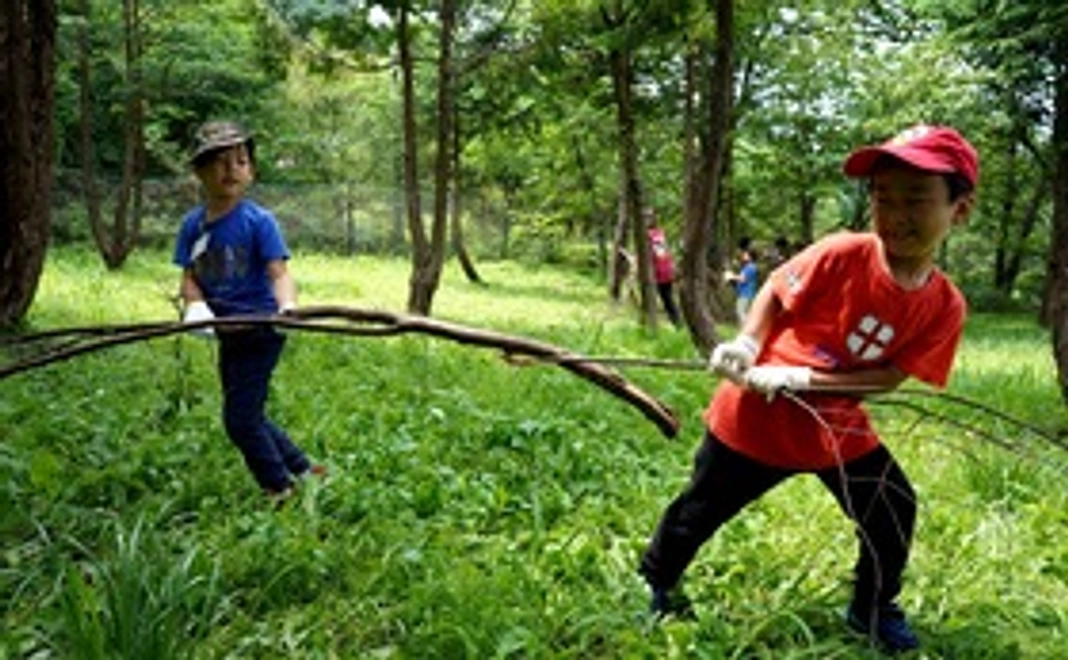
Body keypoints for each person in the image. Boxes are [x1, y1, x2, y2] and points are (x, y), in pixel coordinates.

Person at [638, 125, 978, 653]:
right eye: (883, 198)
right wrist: (749, 345)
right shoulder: (843, 252)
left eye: (916, 199)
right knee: (699, 510)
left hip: (835, 427)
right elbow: (776, 289)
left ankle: (871, 608)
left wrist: (806, 380)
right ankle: (655, 582)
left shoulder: (945, 306)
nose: (894, 215)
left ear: (960, 210)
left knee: (892, 508)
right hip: (756, 415)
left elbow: (888, 378)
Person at [173, 120, 323, 504]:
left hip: (261, 331)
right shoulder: (192, 227)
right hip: (227, 334)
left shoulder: (259, 222)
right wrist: (195, 307)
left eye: (240, 161)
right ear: (199, 171)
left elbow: (280, 273)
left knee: (239, 420)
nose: (231, 170)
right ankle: (304, 469)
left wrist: (287, 306)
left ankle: (279, 487)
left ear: (251, 171)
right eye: (220, 162)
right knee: (248, 412)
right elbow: (189, 279)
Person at [645, 207, 681, 327]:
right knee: (668, 299)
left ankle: (674, 324)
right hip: (665, 270)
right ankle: (677, 323)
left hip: (659, 272)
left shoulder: (649, 235)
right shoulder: (660, 233)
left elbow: (653, 253)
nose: (646, 220)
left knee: (664, 299)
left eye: (648, 217)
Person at [724, 241, 759, 325]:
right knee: (742, 313)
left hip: (746, 294)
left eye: (746, 254)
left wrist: (731, 276)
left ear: (750, 256)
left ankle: (745, 332)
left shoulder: (751, 267)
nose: (743, 255)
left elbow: (742, 279)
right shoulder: (748, 266)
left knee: (741, 313)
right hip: (744, 294)